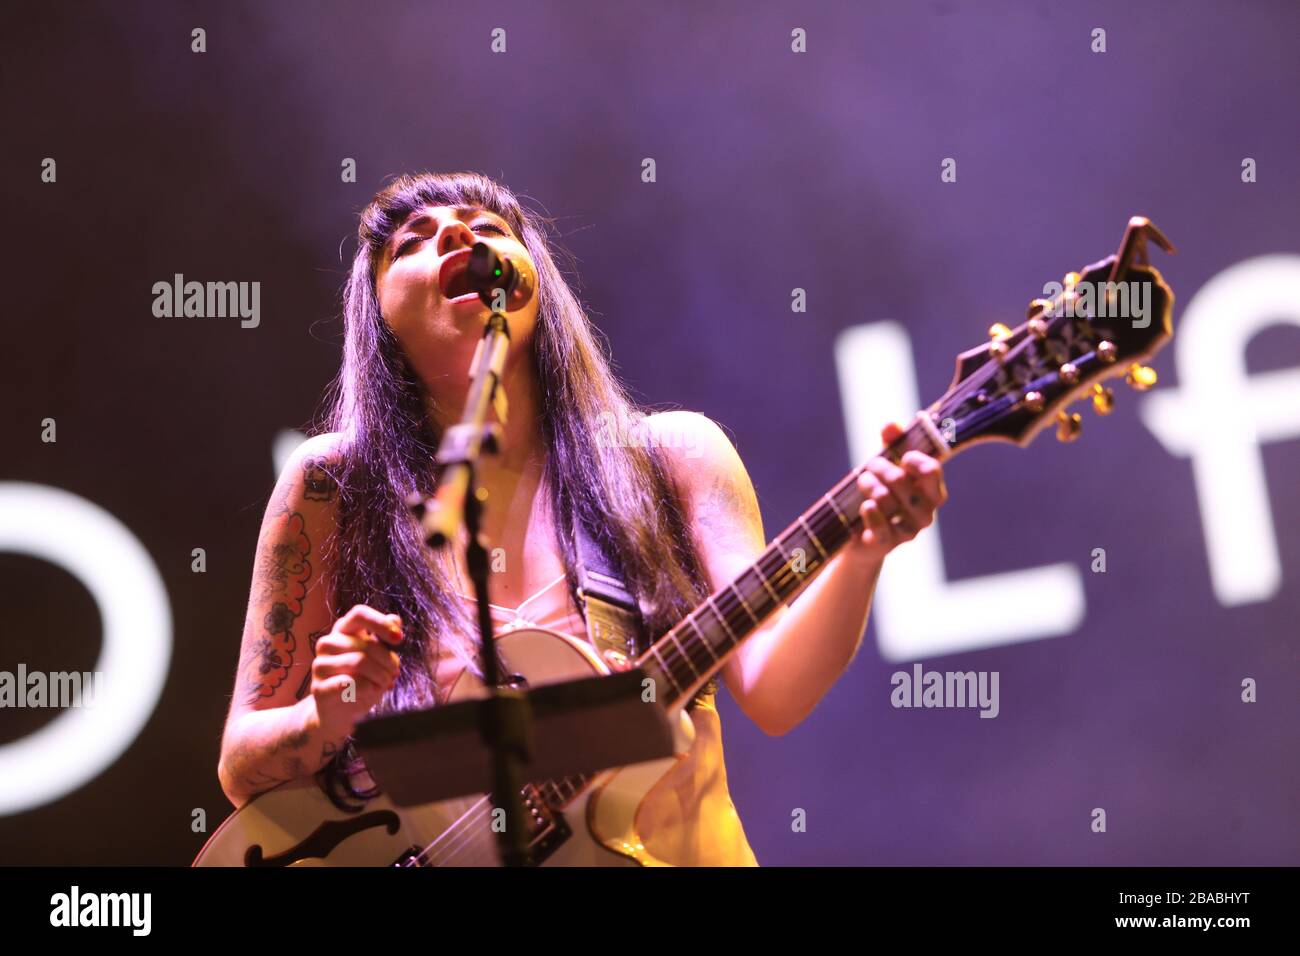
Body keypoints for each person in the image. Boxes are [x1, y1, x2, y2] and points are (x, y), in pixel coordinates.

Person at [216, 170, 947, 866]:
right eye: (412, 241)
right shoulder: (333, 485)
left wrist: (863, 551)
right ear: (376, 308)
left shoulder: (672, 457)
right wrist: (325, 717)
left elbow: (776, 691)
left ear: (532, 279)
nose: (456, 240)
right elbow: (242, 768)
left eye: (487, 228)